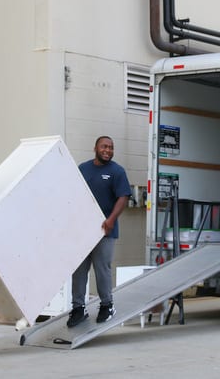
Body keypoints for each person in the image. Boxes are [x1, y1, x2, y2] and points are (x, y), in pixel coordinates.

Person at [67, 136, 131, 327]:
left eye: (111, 147)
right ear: (95, 148)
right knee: (79, 270)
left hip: (105, 230)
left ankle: (107, 305)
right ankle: (78, 308)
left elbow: (123, 197)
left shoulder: (117, 171)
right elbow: (74, 194)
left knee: (102, 269)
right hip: (83, 230)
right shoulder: (83, 168)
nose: (108, 150)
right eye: (104, 146)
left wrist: (111, 219)